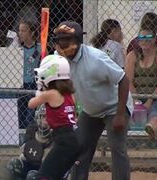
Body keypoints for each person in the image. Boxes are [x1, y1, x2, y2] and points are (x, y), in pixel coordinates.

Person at [53, 21, 133, 180]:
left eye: (66, 40)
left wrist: (119, 114)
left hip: (114, 107)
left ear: (77, 41)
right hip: (91, 111)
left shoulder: (95, 59)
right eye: (59, 40)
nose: (62, 44)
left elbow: (123, 80)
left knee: (117, 149)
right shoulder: (58, 59)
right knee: (79, 148)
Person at [25, 54, 80, 180]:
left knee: (43, 176)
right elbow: (74, 116)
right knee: (56, 176)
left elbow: (31, 104)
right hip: (75, 138)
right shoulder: (69, 94)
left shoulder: (51, 93)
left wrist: (39, 91)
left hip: (64, 141)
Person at [125, 26, 157, 138]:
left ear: (155, 39)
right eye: (141, 37)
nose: (145, 40)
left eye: (148, 37)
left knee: (155, 112)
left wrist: (150, 101)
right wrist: (137, 100)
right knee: (127, 111)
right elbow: (129, 80)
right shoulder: (132, 55)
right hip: (136, 95)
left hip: (156, 96)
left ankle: (152, 128)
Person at [17, 19, 41, 129]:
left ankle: (30, 136)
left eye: (23, 31)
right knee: (21, 114)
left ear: (31, 33)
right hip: (20, 84)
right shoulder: (18, 49)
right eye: (19, 31)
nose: (20, 33)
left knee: (30, 116)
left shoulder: (39, 48)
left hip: (33, 84)